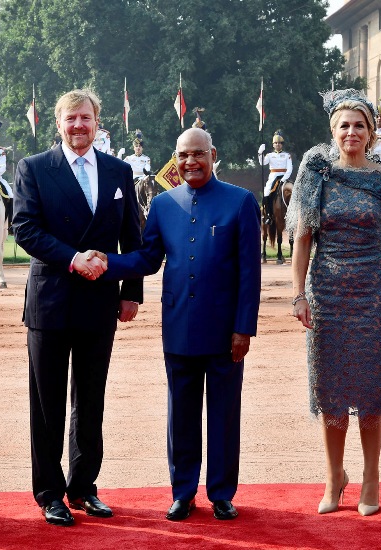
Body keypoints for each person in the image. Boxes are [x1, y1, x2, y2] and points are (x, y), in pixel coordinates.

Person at [91, 127, 260, 522]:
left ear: (213, 154)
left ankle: (220, 492)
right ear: (174, 158)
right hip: (180, 328)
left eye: (198, 154)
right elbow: (147, 259)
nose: (190, 162)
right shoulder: (165, 204)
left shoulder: (240, 202)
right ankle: (182, 491)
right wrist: (107, 262)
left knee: (223, 414)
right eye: (183, 155)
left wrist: (244, 328)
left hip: (225, 332)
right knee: (180, 415)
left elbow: (250, 275)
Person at [12, 88, 143, 527]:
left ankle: (84, 487)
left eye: (85, 118)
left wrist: (131, 292)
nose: (78, 126)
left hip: (99, 301)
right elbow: (25, 229)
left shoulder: (119, 171)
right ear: (58, 124)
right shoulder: (33, 169)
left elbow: (133, 237)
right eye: (70, 119)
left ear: (97, 122)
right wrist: (73, 258)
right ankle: (49, 492)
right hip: (51, 300)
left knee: (90, 401)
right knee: (47, 403)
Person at [288, 89, 381, 517]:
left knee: (371, 389)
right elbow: (302, 242)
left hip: (374, 295)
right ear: (333, 131)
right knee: (330, 389)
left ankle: (372, 478)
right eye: (344, 125)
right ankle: (334, 477)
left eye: (359, 125)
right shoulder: (315, 174)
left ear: (371, 132)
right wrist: (299, 295)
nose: (351, 132)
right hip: (326, 295)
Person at [258, 129, 293, 225]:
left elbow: (289, 169)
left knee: (293, 190)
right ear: (273, 145)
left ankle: (293, 214)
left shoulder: (287, 155)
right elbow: (262, 163)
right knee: (266, 192)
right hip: (273, 177)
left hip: (284, 177)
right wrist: (260, 153)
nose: (277, 144)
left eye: (279, 143)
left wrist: (283, 179)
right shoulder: (270, 155)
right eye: (275, 143)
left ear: (282, 144)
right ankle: (269, 214)